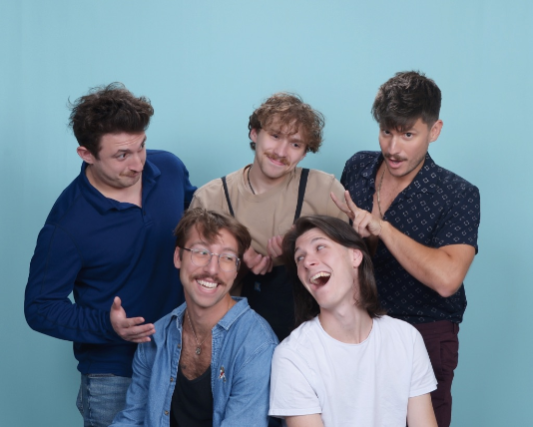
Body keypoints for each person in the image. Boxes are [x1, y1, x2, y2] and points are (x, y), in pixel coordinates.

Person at [24, 83, 196, 427]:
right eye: (122, 155)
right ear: (86, 154)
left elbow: (199, 225)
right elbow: (40, 307)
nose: (138, 163)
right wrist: (107, 325)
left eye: (141, 146)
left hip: (183, 356)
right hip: (114, 374)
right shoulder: (67, 225)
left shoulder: (169, 168)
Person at [335, 71, 481, 427]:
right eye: (387, 131)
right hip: (354, 329)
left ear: (435, 130)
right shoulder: (358, 166)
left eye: (408, 135)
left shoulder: (457, 194)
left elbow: (447, 278)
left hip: (423, 334)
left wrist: (382, 228)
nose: (393, 148)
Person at [190, 92, 347, 340]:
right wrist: (236, 262)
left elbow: (352, 268)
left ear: (304, 153)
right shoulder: (210, 198)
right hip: (231, 336)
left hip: (313, 334)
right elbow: (191, 276)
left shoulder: (325, 191)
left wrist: (299, 251)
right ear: (254, 133)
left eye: (295, 144)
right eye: (275, 136)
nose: (281, 152)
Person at [110, 208, 278, 427]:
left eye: (227, 257)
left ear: (237, 269)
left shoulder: (257, 345)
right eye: (201, 252)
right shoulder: (156, 337)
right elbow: (132, 419)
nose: (212, 269)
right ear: (178, 257)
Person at [269, 215, 437, 426]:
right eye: (299, 258)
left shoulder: (406, 338)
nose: (307, 262)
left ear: (355, 256)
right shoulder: (292, 356)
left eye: (320, 247)